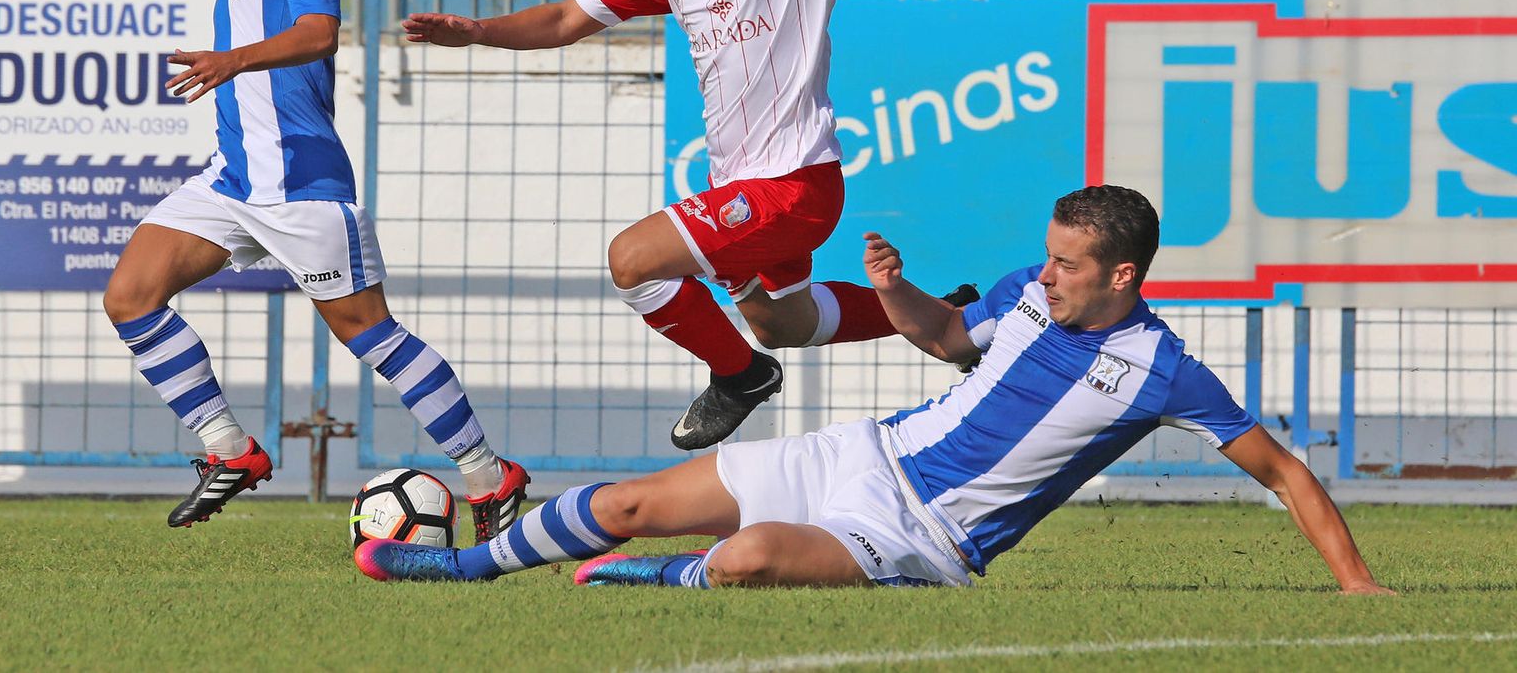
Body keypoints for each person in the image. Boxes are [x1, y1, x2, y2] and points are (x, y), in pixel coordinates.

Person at [352, 185, 1392, 594]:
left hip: (926, 535)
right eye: (1048, 256)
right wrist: (895, 296)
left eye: (1069, 264)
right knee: (627, 500)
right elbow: (947, 338)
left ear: (1124, 274)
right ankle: (470, 565)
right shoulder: (1029, 294)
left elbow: (1285, 472)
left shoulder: (1164, 370)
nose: (1048, 272)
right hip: (861, 451)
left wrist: (1352, 582)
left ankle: (653, 580)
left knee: (748, 559)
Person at [402, 0, 918, 450]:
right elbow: (562, 20)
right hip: (740, 184)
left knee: (632, 261)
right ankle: (941, 317)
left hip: (796, 183)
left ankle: (742, 377)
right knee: (785, 323)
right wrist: (479, 32)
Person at [102, 0, 528, 540]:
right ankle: (230, 450)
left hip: (301, 185)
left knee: (373, 338)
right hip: (234, 181)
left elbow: (320, 33)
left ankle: (490, 477)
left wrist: (230, 60)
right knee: (131, 296)